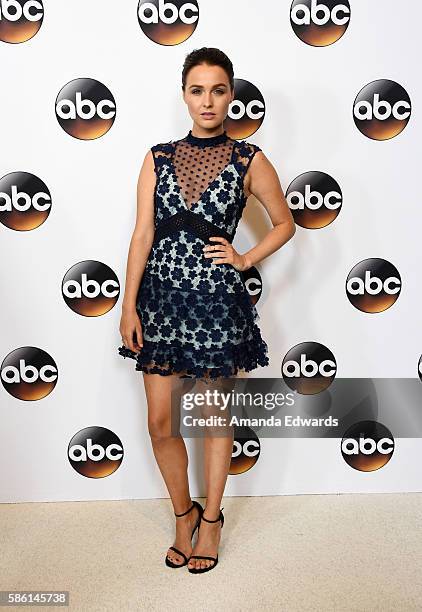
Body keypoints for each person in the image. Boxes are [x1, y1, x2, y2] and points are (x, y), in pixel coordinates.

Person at [118, 47, 295, 573]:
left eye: (218, 90)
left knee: (214, 419)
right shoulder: (157, 157)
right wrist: (128, 305)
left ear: (232, 96)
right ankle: (183, 513)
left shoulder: (250, 160)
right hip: (160, 303)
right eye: (198, 90)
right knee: (159, 420)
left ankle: (211, 521)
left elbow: (284, 223)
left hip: (217, 305)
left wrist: (243, 257)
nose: (208, 101)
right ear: (185, 96)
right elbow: (143, 233)